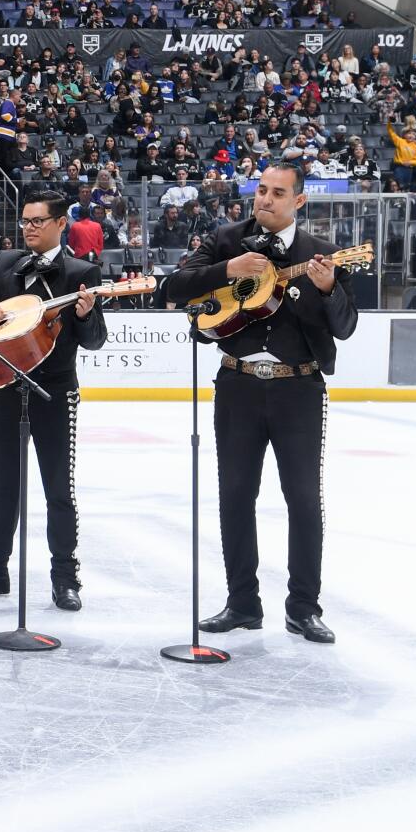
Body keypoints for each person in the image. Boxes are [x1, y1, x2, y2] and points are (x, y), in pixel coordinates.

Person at [161, 162, 357, 644]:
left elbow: (346, 326)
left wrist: (328, 289)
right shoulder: (226, 240)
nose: (264, 199)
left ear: (299, 201)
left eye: (277, 193)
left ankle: (304, 608)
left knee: (304, 501)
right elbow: (171, 288)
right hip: (238, 387)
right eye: (261, 190)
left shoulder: (324, 255)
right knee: (235, 496)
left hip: (299, 390)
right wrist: (228, 270)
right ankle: (242, 603)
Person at [0, 190, 109, 611]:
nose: (29, 227)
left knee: (58, 488)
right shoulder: (4, 263)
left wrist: (87, 313)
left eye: (38, 221)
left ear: (60, 225)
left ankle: (65, 578)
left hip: (54, 393)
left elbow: (94, 342)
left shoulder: (82, 271)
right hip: (6, 390)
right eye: (25, 221)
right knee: (3, 487)